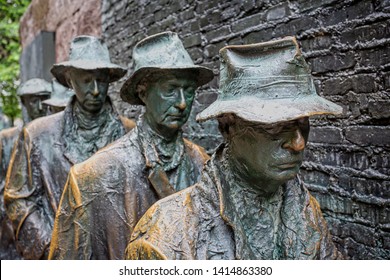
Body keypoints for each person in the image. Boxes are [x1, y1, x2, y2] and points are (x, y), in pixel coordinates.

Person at [126, 37, 344, 260]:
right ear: (228, 127)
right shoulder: (167, 235)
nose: (298, 143)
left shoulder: (308, 212)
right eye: (276, 125)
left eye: (303, 123)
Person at [49, 31, 213, 260]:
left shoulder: (203, 163)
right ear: (143, 92)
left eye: (189, 91)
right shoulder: (91, 176)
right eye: (170, 90)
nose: (182, 103)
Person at [4, 35, 135, 259]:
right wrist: (52, 248)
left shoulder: (130, 132)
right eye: (86, 80)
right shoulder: (37, 135)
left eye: (101, 80)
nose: (95, 90)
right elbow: (18, 200)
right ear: (70, 80)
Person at [0, 78, 51, 260]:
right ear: (24, 102)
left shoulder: (52, 138)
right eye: (33, 100)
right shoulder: (6, 139)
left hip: (44, 222)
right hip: (11, 226)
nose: (40, 106)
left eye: (44, 99)